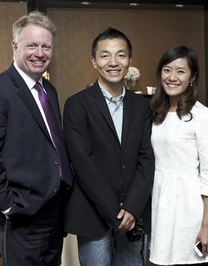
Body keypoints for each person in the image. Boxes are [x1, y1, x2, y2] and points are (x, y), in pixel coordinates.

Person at [0, 11, 73, 266]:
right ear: (15, 46)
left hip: (53, 212)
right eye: (32, 45)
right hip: (22, 215)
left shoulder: (49, 89)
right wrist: (9, 206)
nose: (40, 53)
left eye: (46, 46)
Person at [63, 27, 155, 266]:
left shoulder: (141, 106)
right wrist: (116, 213)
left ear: (129, 60)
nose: (113, 62)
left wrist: (133, 208)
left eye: (121, 55)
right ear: (94, 61)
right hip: (93, 214)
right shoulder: (76, 105)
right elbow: (83, 163)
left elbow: (146, 159)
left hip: (134, 214)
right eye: (105, 55)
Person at [149, 45, 208, 266]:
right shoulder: (155, 113)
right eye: (167, 70)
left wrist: (207, 225)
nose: (172, 77)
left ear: (192, 77)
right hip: (161, 201)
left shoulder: (202, 116)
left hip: (189, 205)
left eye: (181, 71)